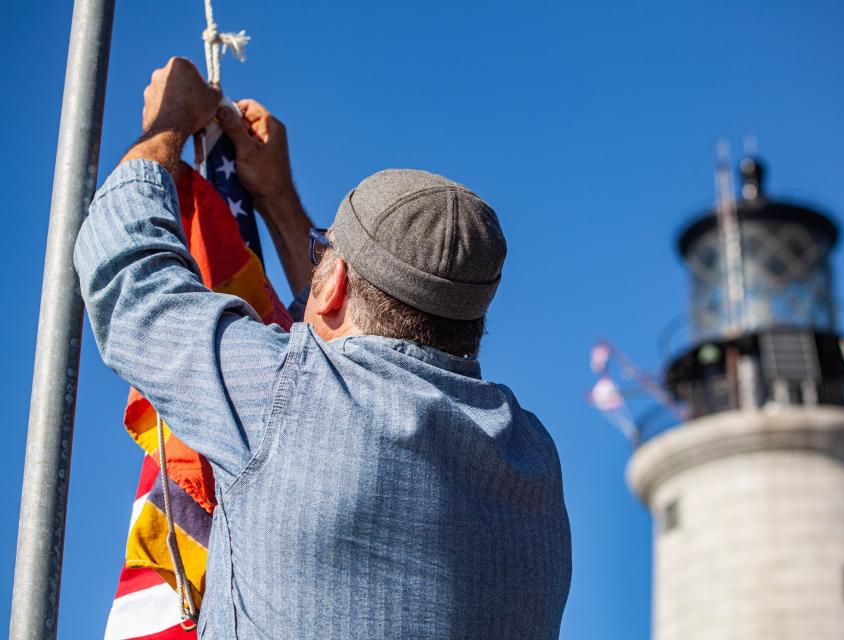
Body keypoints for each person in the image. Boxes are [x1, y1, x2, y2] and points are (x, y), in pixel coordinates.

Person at [74, 57, 572, 639]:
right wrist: (281, 202)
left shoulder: (287, 402)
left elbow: (129, 277)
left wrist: (166, 126)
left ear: (331, 283)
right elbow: (367, 339)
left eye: (322, 254)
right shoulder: (535, 462)